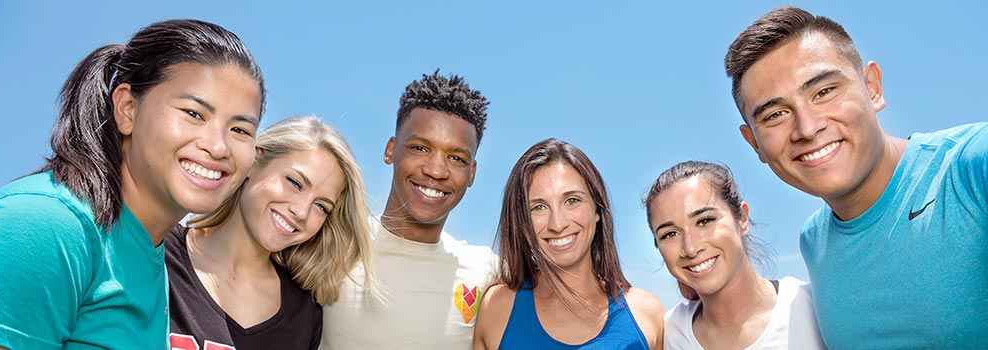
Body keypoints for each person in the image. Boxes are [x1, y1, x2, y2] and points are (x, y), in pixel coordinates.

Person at [0, 19, 263, 349]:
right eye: (193, 113)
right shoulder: (45, 225)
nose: (218, 147)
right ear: (127, 109)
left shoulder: (151, 252)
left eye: (240, 130)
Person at [726, 6, 988, 348]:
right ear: (754, 144)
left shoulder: (972, 167)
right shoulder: (814, 239)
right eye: (776, 115)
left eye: (823, 92)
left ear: (872, 87)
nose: (807, 127)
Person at [321, 70, 496, 349]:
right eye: (420, 148)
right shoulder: (333, 243)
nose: (436, 170)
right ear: (391, 150)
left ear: (472, 173)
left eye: (456, 158)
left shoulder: (487, 273)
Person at [167, 116, 376, 349]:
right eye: (295, 183)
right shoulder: (156, 254)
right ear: (254, 162)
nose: (301, 212)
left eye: (321, 206)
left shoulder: (304, 314)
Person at [474, 139, 664, 350]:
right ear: (521, 222)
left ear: (597, 209)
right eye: (538, 207)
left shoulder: (647, 314)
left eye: (572, 201)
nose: (558, 224)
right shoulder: (497, 308)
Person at [643, 161, 824, 349]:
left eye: (705, 221)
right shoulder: (670, 332)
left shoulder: (812, 308)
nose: (690, 248)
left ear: (743, 219)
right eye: (670, 234)